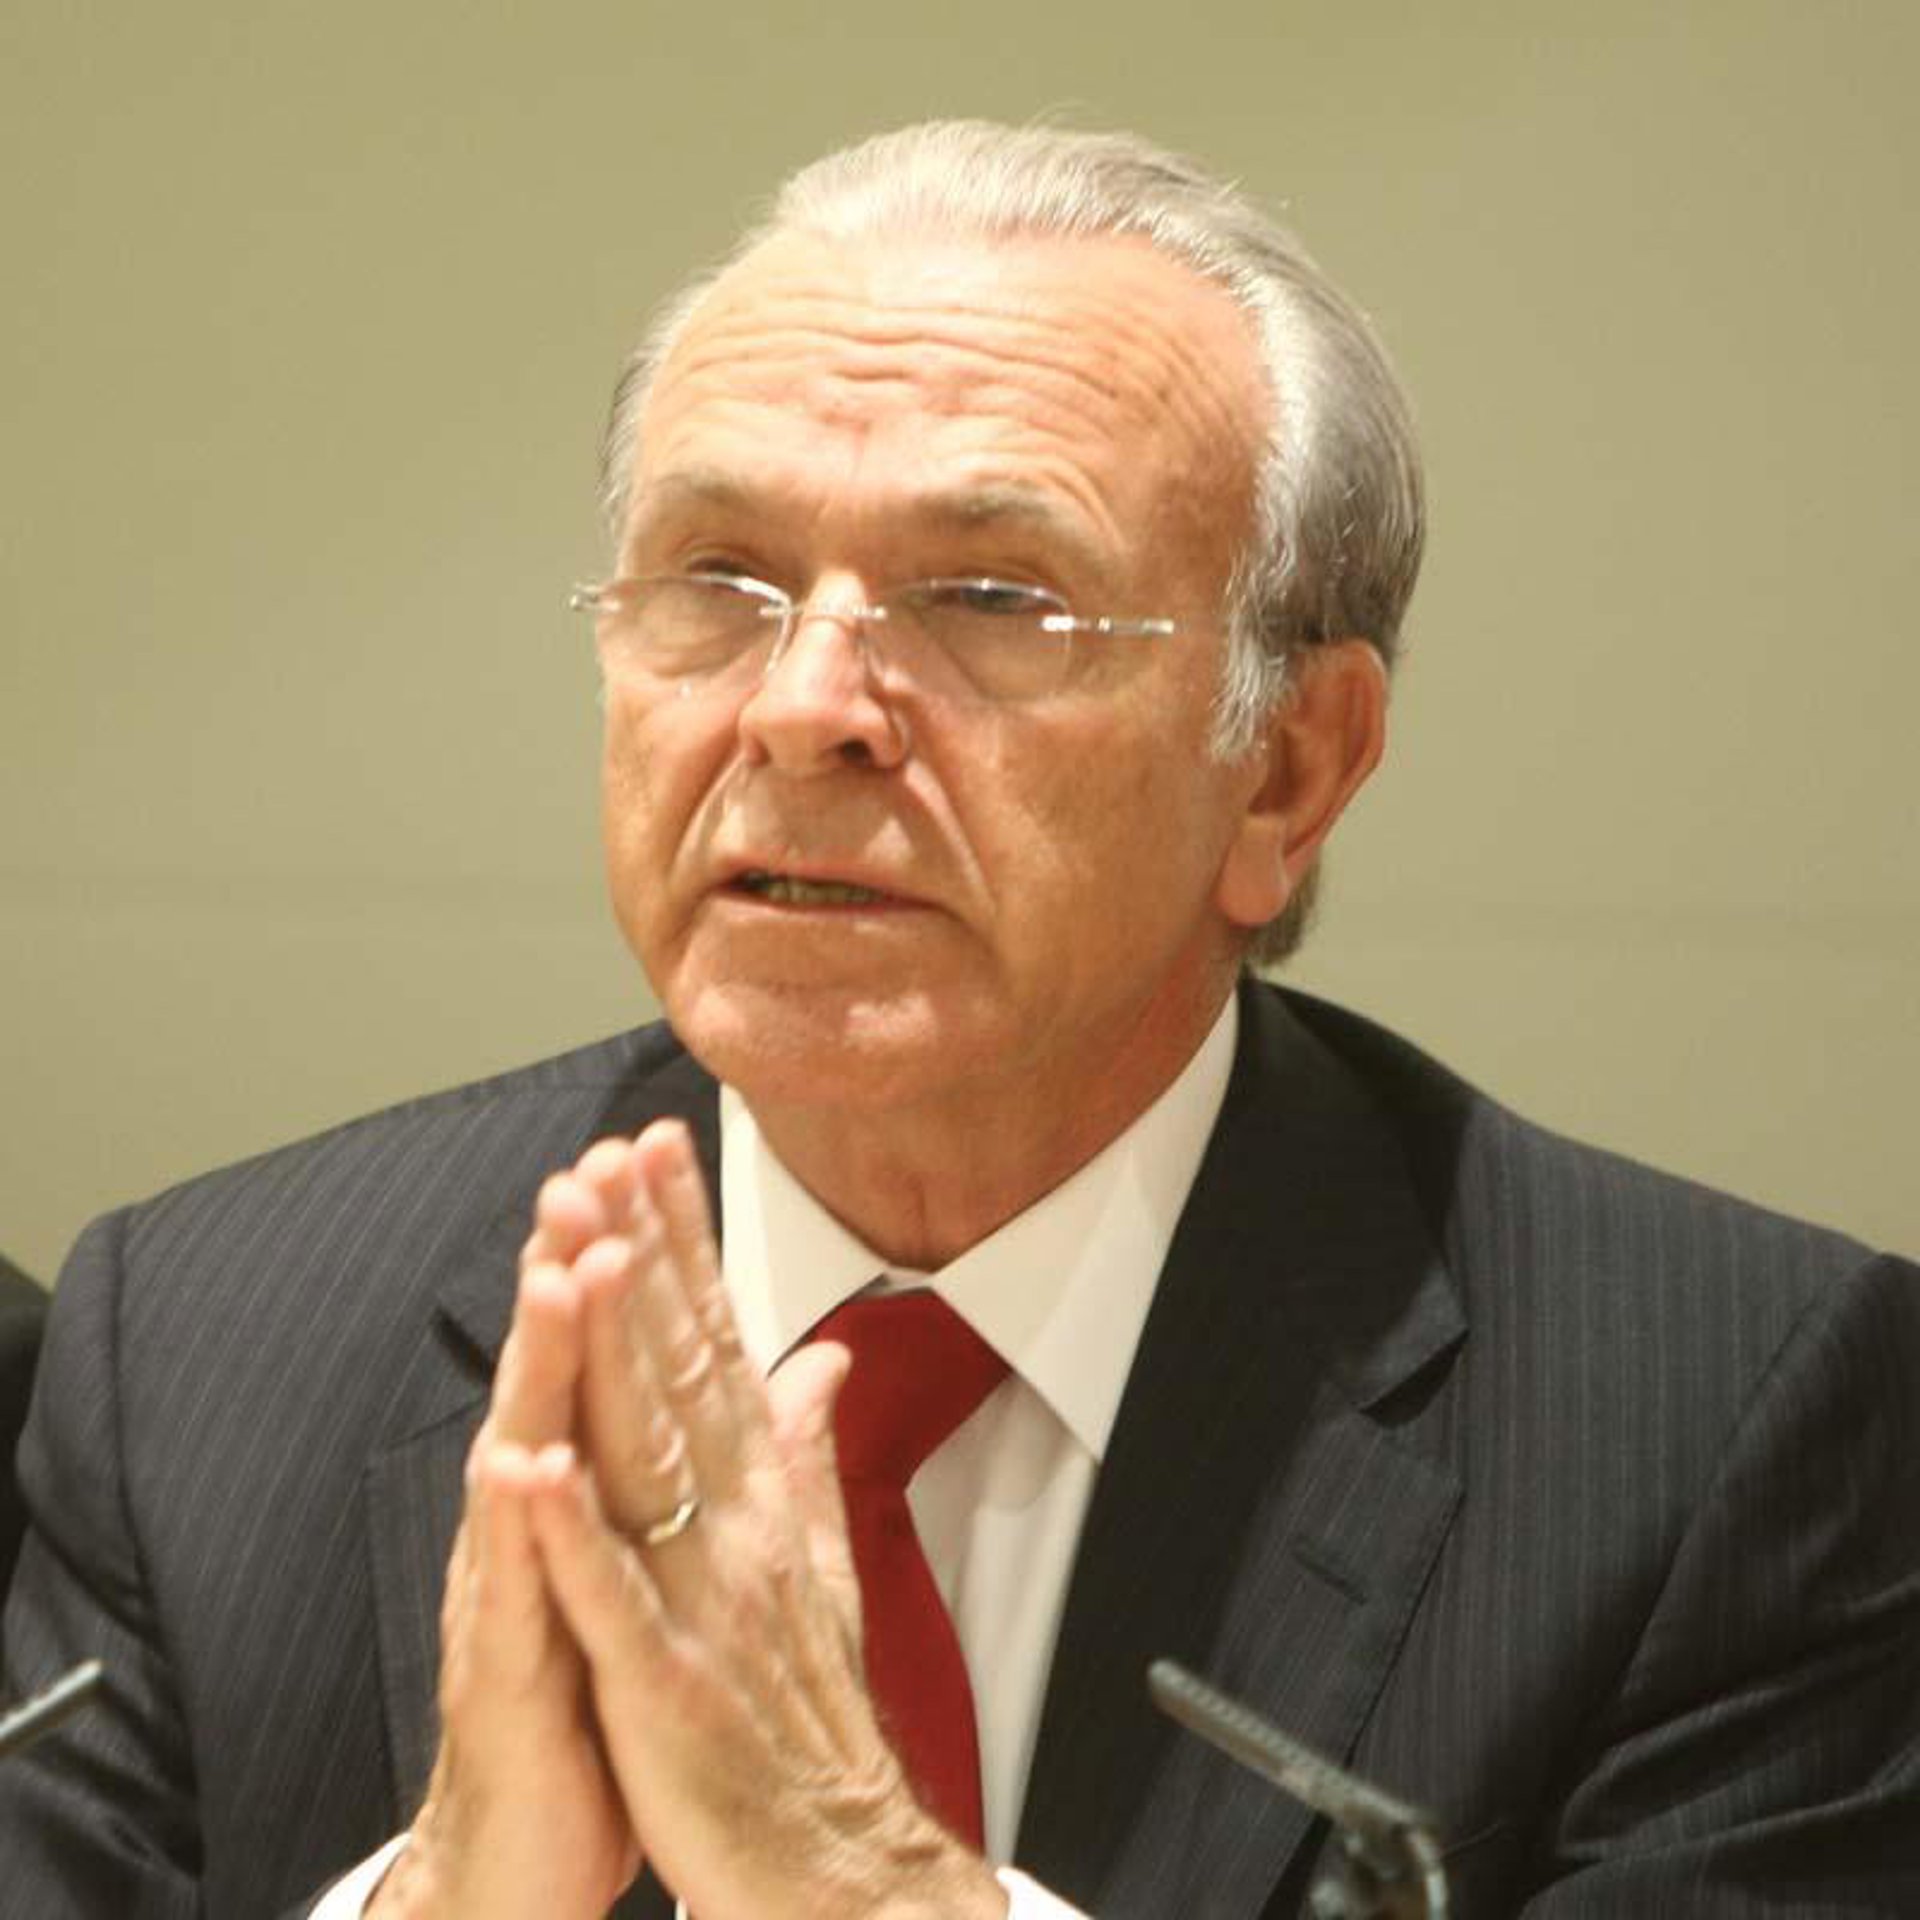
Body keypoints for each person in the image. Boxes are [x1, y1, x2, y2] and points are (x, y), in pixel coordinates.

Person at [3, 119, 1916, 1919]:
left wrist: (852, 1882)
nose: (802, 706)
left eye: (995, 599)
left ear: (1288, 770)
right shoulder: (199, 1356)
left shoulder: (1713, 1436)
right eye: (717, 579)